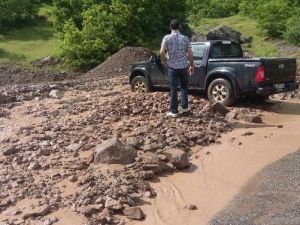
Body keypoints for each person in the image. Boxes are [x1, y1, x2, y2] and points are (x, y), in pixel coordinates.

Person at [160, 19, 195, 118]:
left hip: (172, 67)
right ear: (179, 27)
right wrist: (192, 65)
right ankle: (185, 108)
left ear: (170, 27)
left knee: (173, 89)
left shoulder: (166, 38)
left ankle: (174, 111)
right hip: (184, 66)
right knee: (184, 87)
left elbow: (162, 52)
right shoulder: (185, 38)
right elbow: (190, 54)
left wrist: (165, 62)